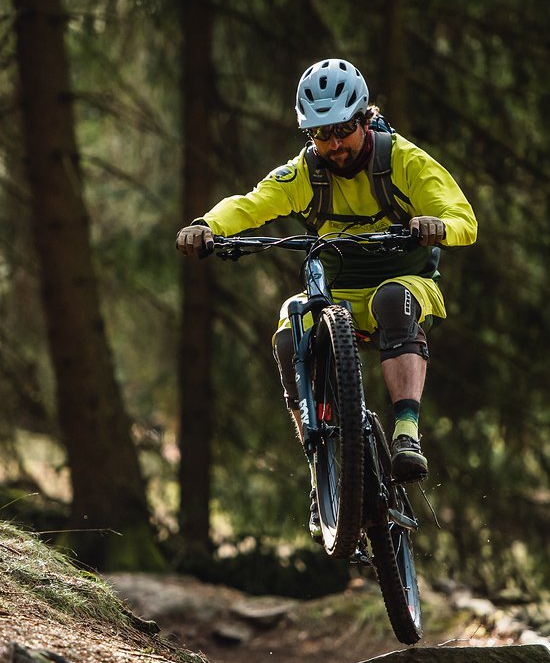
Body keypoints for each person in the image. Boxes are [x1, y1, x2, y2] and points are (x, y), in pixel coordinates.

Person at [176, 58, 477, 542]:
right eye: (320, 135)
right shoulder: (305, 172)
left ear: (363, 118)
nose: (333, 145)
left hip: (403, 281)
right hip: (336, 291)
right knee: (291, 331)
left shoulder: (404, 161)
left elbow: (465, 220)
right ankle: (322, 469)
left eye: (341, 130)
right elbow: (251, 204)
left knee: (394, 301)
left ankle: (405, 432)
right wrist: (208, 226)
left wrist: (437, 226)